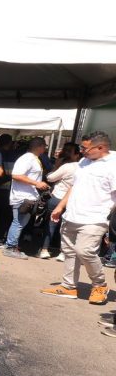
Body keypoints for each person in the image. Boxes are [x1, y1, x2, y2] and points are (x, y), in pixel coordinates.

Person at [41, 131, 116, 306]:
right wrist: (60, 207)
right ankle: (68, 286)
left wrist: (112, 221)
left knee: (85, 251)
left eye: (84, 148)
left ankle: (99, 285)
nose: (81, 151)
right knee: (69, 252)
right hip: (72, 215)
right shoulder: (83, 162)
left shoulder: (113, 165)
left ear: (100, 147)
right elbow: (74, 186)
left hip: (95, 218)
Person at [3, 137, 50, 259]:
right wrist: (36, 183)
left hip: (27, 196)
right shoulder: (27, 158)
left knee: (20, 222)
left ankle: (12, 246)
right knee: (18, 222)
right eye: (44, 146)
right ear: (39, 146)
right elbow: (16, 175)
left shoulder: (32, 158)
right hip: (23, 197)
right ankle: (10, 247)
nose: (45, 149)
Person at [39, 143, 80, 259]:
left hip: (58, 197)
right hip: (73, 200)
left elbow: (50, 178)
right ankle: (63, 252)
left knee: (51, 224)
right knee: (68, 228)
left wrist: (56, 166)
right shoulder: (83, 167)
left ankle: (44, 249)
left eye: (68, 151)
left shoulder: (67, 166)